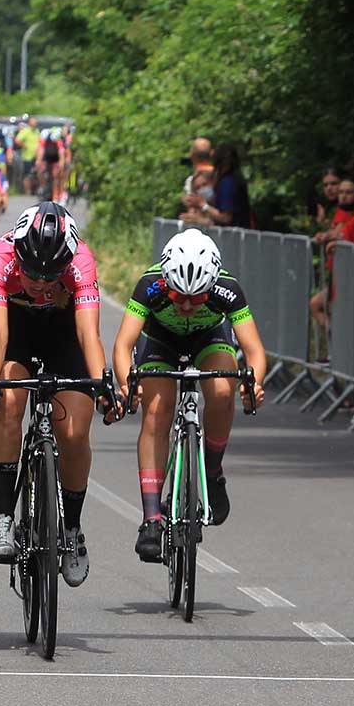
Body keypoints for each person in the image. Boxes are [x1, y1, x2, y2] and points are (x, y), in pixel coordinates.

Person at [0, 203, 111, 587]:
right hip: (17, 332)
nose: (42, 284)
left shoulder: (81, 260)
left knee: (75, 432)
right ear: (19, 256)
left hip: (65, 335)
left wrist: (104, 384)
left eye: (52, 276)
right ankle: (2, 519)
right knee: (8, 405)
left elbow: (87, 335)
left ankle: (72, 530)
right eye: (32, 273)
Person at [112, 228, 267, 561]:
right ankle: (152, 518)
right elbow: (124, 345)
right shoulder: (149, 285)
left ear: (210, 286)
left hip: (209, 339)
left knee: (223, 391)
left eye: (196, 298)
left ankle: (211, 471)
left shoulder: (228, 289)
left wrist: (253, 384)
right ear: (166, 282)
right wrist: (128, 383)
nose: (185, 304)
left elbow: (254, 351)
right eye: (178, 295)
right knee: (157, 410)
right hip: (160, 342)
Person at [309, 176, 354, 330]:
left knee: (344, 317)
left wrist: (333, 242)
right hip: (340, 276)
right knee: (317, 305)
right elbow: (339, 234)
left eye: (348, 192)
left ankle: (339, 346)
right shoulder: (349, 216)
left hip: (353, 279)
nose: (343, 196)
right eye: (341, 192)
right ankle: (336, 344)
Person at [14, 116, 40, 194]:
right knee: (27, 175)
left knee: (37, 174)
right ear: (29, 123)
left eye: (35, 122)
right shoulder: (25, 131)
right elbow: (17, 140)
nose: (35, 123)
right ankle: (27, 191)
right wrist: (25, 146)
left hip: (37, 157)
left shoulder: (37, 131)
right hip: (27, 157)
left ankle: (35, 190)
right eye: (33, 122)